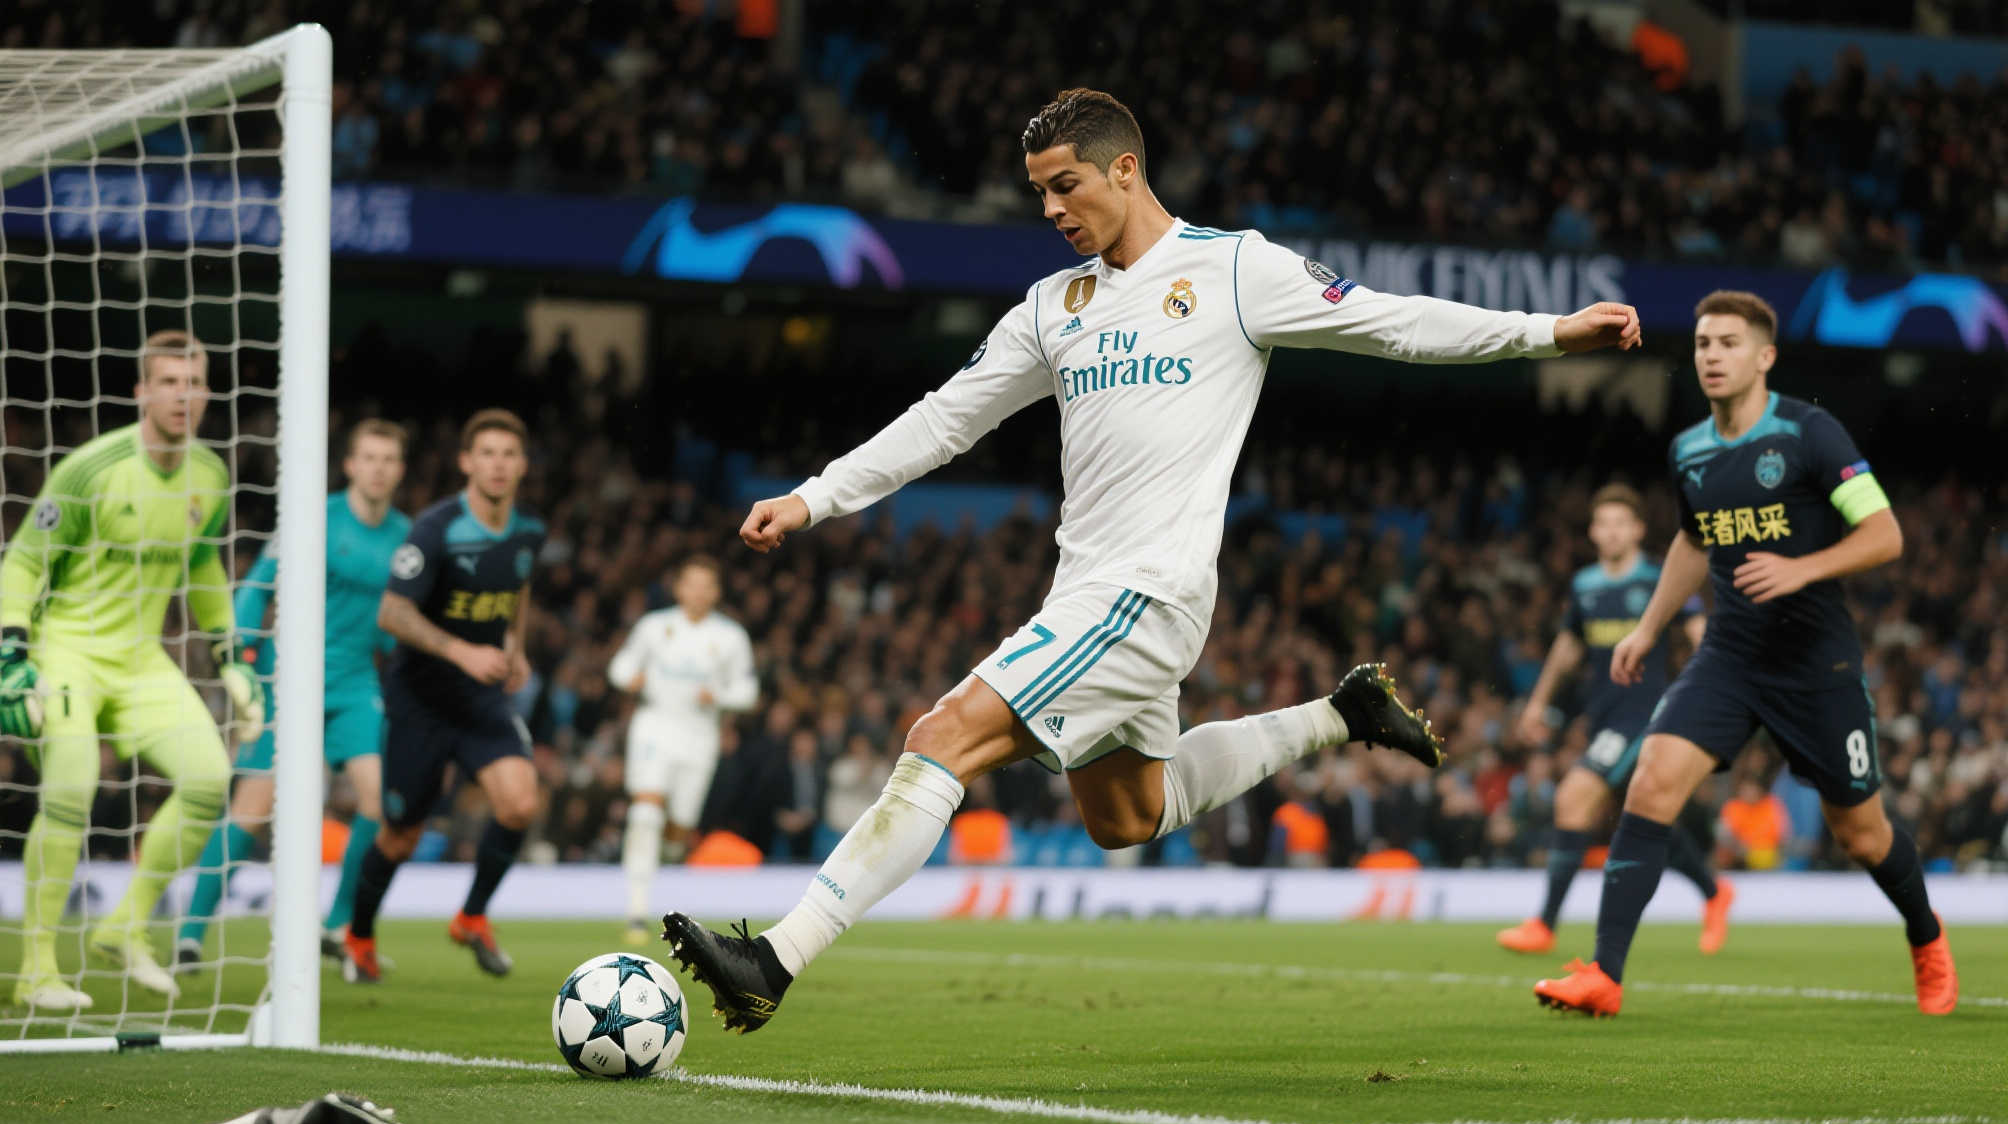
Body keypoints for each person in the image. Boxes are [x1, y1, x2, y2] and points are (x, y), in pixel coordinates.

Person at [662, 87, 1645, 1033]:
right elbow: (945, 420)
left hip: (1148, 592)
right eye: (1038, 192)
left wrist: (1548, 334)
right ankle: (1338, 714)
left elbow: (1391, 322)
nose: (1050, 210)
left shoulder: (1232, 269)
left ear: (1125, 169)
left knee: (942, 734)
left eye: (1065, 185)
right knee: (1129, 815)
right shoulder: (1052, 306)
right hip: (1089, 592)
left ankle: (774, 962)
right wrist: (816, 496)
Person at [1534, 291, 1956, 1017]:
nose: (1712, 356)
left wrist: (1802, 568)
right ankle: (1604, 974)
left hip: (1816, 666)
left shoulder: (1809, 433)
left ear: (1765, 357)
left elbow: (1885, 535)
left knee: (1861, 835)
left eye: (1729, 343)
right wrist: (1648, 627)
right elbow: (1693, 541)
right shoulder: (1690, 451)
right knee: (1650, 783)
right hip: (1729, 658)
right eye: (1703, 343)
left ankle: (1926, 937)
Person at [0, 330, 264, 1009]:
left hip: (142, 660)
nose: (182, 395)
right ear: (142, 391)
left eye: (194, 383)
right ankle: (36, 971)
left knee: (209, 779)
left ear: (208, 393)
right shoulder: (93, 468)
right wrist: (12, 654)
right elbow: (24, 560)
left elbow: (203, 563)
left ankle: (125, 926)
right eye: (169, 382)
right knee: (73, 779)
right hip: (68, 650)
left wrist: (229, 654)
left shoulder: (210, 475)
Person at [174, 420, 411, 967]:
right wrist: (243, 658)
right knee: (253, 807)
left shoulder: (405, 536)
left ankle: (339, 924)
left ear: (400, 470)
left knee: (379, 801)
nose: (378, 469)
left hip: (354, 683)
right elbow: (258, 586)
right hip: (290, 678)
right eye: (369, 458)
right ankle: (190, 933)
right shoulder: (315, 517)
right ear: (350, 466)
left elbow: (389, 621)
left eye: (388, 459)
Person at [340, 409, 544, 983]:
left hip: (481, 700)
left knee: (520, 804)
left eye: (509, 454)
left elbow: (519, 586)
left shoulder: (529, 531)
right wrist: (462, 652)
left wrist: (514, 645)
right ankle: (358, 936)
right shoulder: (435, 529)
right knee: (400, 836)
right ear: (466, 462)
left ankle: (472, 917)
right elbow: (392, 612)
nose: (498, 465)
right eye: (487, 454)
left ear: (522, 465)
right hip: (419, 702)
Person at [1497, 484, 1731, 955]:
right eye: (1603, 523)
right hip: (1603, 715)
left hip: (1646, 714)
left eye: (1621, 523)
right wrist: (1538, 702)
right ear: (1592, 532)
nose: (1612, 532)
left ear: (1638, 530)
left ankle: (1544, 925)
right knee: (1646, 816)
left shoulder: (1659, 578)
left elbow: (1698, 631)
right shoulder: (1585, 586)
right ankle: (1714, 892)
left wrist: (1712, 685)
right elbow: (1569, 647)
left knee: (1573, 797)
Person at [607, 554, 758, 946]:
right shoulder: (654, 627)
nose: (697, 592)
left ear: (716, 592)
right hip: (654, 726)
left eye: (706, 585)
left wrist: (720, 696)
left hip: (699, 736)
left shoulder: (730, 637)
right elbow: (620, 666)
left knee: (678, 829)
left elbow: (747, 690)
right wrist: (629, 678)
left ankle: (666, 870)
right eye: (691, 583)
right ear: (678, 588)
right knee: (645, 813)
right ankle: (636, 910)